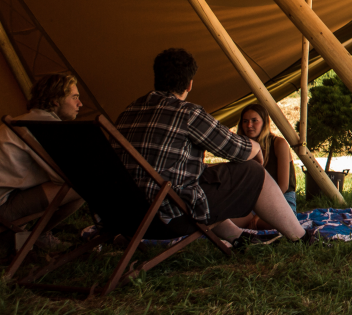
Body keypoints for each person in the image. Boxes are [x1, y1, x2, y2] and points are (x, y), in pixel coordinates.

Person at [114, 48, 309, 244]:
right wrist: (256, 148)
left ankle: (239, 238)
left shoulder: (127, 113)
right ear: (190, 84)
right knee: (253, 171)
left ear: (157, 78)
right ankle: (301, 237)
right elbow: (236, 149)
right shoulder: (187, 113)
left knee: (206, 180)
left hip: (125, 213)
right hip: (168, 217)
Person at [0, 73, 85, 252]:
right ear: (55, 100)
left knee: (81, 183)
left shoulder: (28, 121)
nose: (80, 104)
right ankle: (36, 236)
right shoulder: (44, 127)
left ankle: (36, 235)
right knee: (82, 185)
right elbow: (64, 176)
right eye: (74, 97)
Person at [238, 103, 298, 212]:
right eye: (245, 121)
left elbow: (283, 186)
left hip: (281, 197)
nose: (249, 125)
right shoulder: (242, 147)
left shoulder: (278, 143)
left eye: (254, 120)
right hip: (253, 198)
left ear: (264, 123)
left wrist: (262, 211)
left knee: (279, 222)